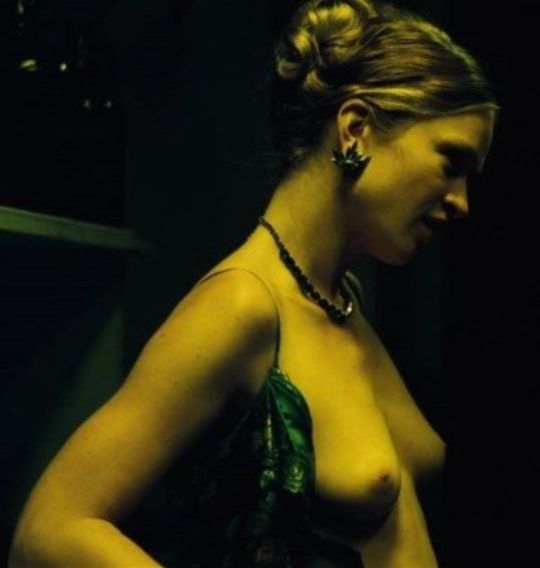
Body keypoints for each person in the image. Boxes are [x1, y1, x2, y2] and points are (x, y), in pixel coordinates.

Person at [9, 0, 499, 566]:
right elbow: (49, 530)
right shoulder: (243, 303)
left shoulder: (339, 298)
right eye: (451, 163)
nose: (461, 202)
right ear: (356, 129)